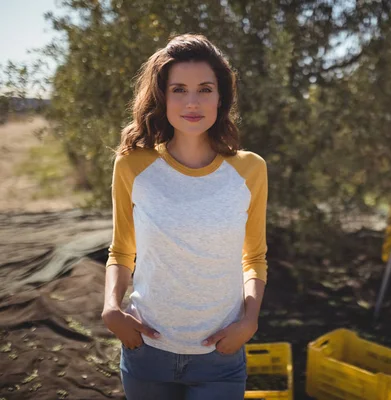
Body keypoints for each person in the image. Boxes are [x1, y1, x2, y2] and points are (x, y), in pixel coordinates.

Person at [101, 33, 268, 400]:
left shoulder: (250, 170)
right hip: (146, 351)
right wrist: (112, 307)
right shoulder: (132, 164)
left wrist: (249, 320)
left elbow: (253, 257)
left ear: (221, 97)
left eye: (205, 89)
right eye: (179, 89)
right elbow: (121, 249)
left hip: (220, 356)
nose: (192, 102)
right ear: (163, 96)